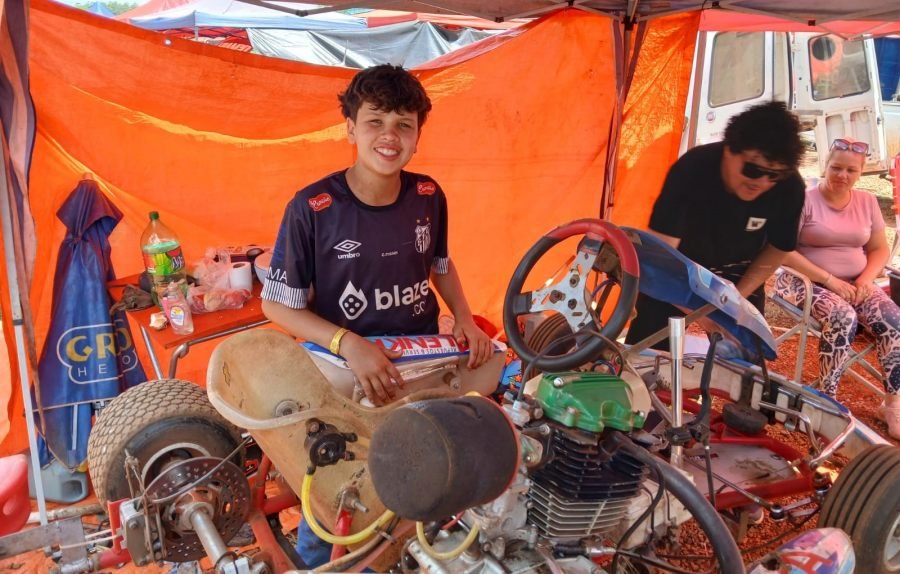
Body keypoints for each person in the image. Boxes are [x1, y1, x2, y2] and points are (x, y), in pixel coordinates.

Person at [260, 64, 493, 568]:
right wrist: (350, 344)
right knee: (334, 479)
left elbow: (441, 267)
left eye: (403, 124)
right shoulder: (312, 208)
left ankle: (420, 548)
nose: (389, 136)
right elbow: (276, 303)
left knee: (434, 461)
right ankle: (319, 560)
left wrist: (467, 320)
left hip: (417, 360)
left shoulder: (428, 196)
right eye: (375, 121)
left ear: (417, 137)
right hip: (340, 366)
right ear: (350, 128)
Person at [624, 101, 806, 349]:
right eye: (752, 169)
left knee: (746, 366)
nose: (761, 182)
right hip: (680, 271)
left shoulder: (790, 186)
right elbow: (659, 259)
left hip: (739, 274)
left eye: (773, 175)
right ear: (729, 150)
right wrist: (706, 315)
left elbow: (779, 247)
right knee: (646, 357)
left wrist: (735, 300)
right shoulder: (692, 170)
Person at [774, 137, 900, 440]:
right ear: (825, 166)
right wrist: (830, 281)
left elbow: (880, 249)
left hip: (856, 283)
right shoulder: (803, 200)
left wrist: (865, 280)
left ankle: (893, 405)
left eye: (851, 170)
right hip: (803, 281)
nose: (843, 175)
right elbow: (783, 251)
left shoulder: (867, 202)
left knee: (894, 320)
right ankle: (825, 402)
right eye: (837, 168)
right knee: (842, 317)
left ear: (860, 172)